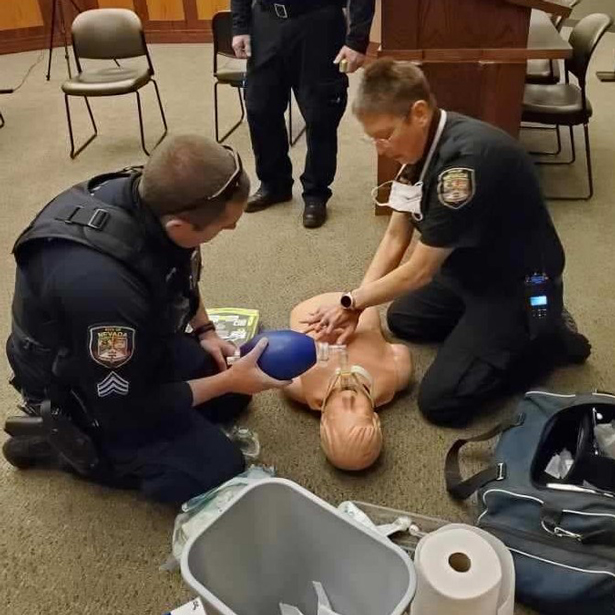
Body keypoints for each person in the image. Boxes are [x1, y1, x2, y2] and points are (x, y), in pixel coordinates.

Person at [3, 135, 289, 505]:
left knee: (232, 397)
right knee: (217, 470)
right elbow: (125, 404)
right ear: (178, 227)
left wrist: (205, 331)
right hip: (81, 386)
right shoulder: (103, 293)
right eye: (224, 226)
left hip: (132, 336)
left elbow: (177, 269)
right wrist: (227, 379)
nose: (229, 230)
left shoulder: (152, 196)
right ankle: (61, 447)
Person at [304, 60, 591, 427]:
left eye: (384, 135)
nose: (379, 148)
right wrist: (362, 302)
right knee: (402, 318)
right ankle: (491, 331)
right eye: (371, 137)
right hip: (468, 267)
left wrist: (350, 302)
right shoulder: (416, 147)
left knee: (441, 402)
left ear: (419, 113)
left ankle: (545, 336)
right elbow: (396, 235)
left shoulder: (464, 166)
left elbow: (421, 270)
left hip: (516, 284)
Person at [231, 0, 376, 229]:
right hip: (266, 21)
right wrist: (240, 26)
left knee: (321, 115)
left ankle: (316, 193)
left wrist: (357, 40)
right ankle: (274, 184)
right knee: (260, 108)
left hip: (318, 24)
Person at [285, 292, 413, 471]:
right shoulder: (396, 375)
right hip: (361, 304)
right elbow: (400, 352)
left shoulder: (301, 388)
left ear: (324, 420)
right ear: (375, 418)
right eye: (359, 412)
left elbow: (283, 362)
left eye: (341, 412)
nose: (349, 400)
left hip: (309, 311)